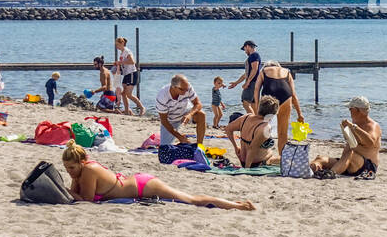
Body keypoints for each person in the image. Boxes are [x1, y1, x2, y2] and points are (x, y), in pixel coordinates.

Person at [60, 141, 254, 210]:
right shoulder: (81, 172)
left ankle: (237, 205)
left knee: (192, 200)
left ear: (82, 162)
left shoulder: (88, 171)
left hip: (145, 186)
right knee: (190, 199)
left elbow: (85, 200)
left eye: (71, 168)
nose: (69, 171)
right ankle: (234, 203)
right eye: (67, 168)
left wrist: (63, 189)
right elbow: (75, 194)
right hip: (137, 183)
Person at [311, 96, 381, 177]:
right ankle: (309, 170)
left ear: (356, 110)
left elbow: (370, 143)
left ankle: (330, 173)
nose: (349, 112)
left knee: (350, 153)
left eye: (350, 109)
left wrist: (354, 127)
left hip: (367, 166)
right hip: (346, 162)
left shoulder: (372, 126)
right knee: (320, 159)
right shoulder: (356, 123)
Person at [255, 60, 304, 156]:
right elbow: (294, 95)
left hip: (269, 96)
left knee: (263, 128)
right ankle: (283, 158)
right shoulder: (286, 71)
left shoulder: (264, 70)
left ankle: (262, 156)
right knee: (282, 132)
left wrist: (257, 108)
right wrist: (300, 114)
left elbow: (256, 90)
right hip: (285, 95)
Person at [156, 74, 207, 162]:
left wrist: (189, 114)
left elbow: (198, 104)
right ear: (174, 87)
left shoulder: (187, 88)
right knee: (164, 150)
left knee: (201, 115)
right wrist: (179, 137)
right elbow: (164, 120)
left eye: (186, 89)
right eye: (182, 89)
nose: (185, 91)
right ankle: (182, 144)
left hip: (185, 111)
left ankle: (199, 147)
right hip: (170, 120)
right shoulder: (162, 96)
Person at [225, 95, 281, 168]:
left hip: (242, 158)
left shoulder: (246, 117)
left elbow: (228, 129)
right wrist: (247, 168)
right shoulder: (264, 127)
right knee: (279, 157)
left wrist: (236, 147)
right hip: (255, 162)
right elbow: (252, 149)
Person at [228, 40, 262, 113]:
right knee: (253, 104)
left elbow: (255, 69)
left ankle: (252, 121)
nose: (245, 51)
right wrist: (236, 83)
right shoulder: (253, 56)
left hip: (252, 82)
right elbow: (246, 73)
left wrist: (248, 82)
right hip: (255, 82)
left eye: (244, 49)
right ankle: (257, 121)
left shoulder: (254, 55)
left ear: (247, 46)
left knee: (245, 102)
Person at [114, 36, 145, 116]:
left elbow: (132, 61)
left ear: (122, 43)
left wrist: (121, 62)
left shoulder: (127, 51)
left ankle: (141, 107)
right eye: (116, 45)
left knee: (129, 94)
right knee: (123, 93)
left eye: (117, 44)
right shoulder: (122, 53)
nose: (116, 46)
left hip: (132, 73)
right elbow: (123, 62)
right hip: (126, 74)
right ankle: (127, 110)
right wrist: (118, 64)